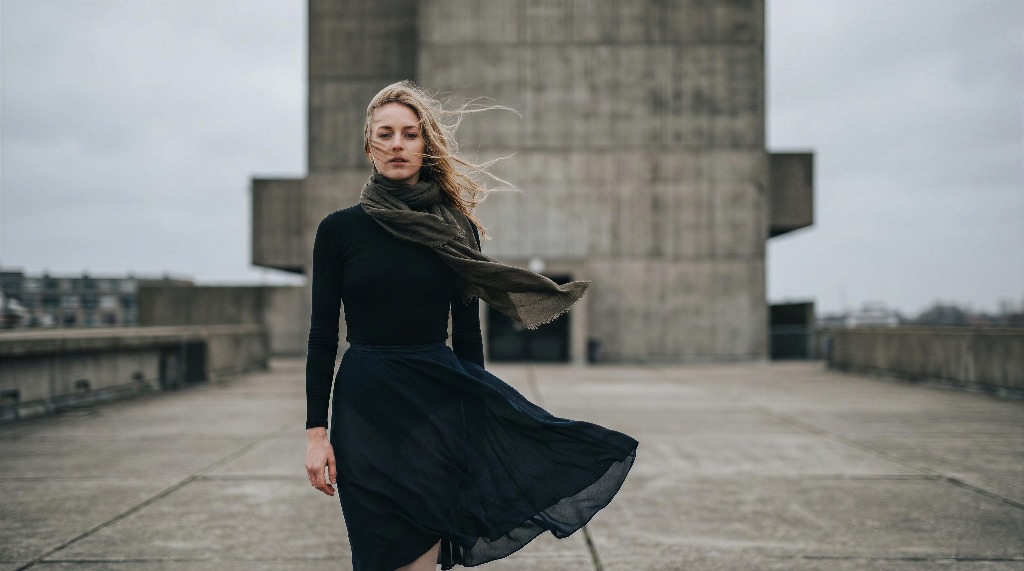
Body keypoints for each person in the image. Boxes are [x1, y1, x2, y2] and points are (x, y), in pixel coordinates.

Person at [304, 80, 638, 571]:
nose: (398, 144)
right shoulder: (339, 231)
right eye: (385, 134)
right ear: (369, 145)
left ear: (425, 146)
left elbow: (467, 333)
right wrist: (316, 433)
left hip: (434, 403)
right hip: (365, 407)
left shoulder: (455, 228)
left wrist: (475, 420)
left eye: (410, 134)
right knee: (376, 553)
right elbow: (320, 336)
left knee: (420, 552)